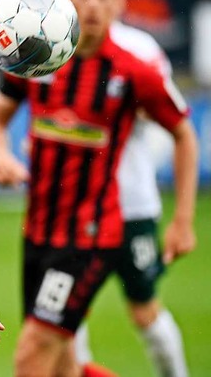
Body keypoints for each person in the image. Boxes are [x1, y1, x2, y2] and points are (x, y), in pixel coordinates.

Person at [0, 0, 198, 376]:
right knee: (63, 361)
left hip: (90, 235)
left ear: (120, 1)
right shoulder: (36, 54)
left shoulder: (134, 69)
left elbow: (184, 133)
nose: (94, 5)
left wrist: (183, 220)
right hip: (39, 231)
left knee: (33, 353)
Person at [74, 21, 190, 377]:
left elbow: (161, 110)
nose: (92, 3)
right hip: (75, 210)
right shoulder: (60, 44)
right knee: (64, 318)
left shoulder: (140, 49)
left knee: (144, 310)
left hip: (132, 204)